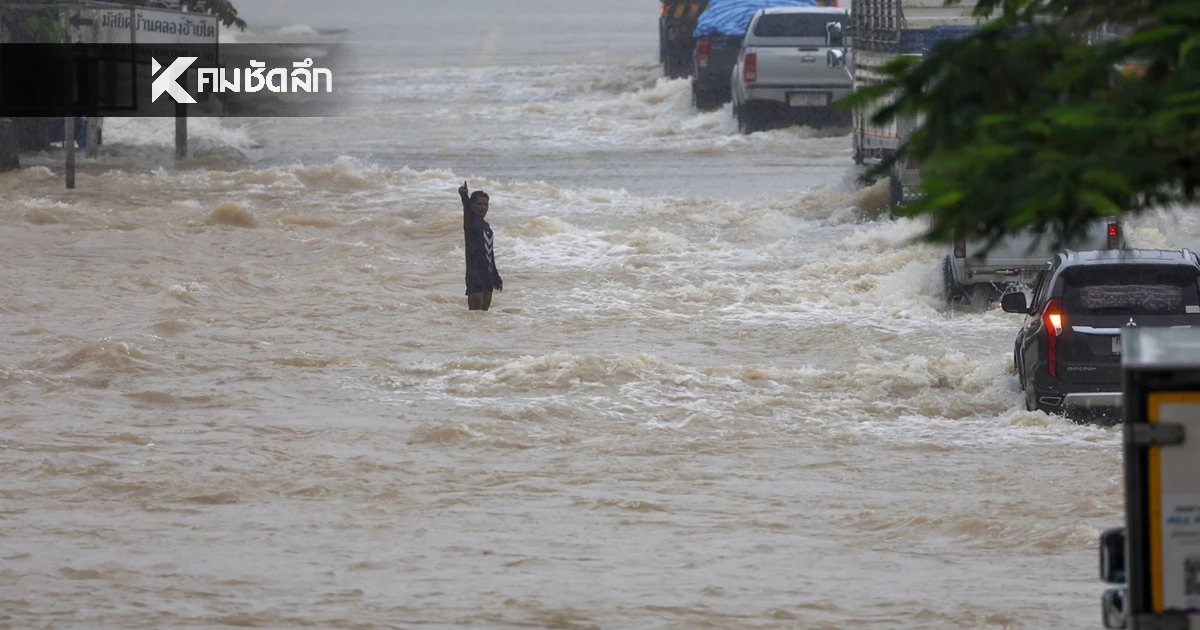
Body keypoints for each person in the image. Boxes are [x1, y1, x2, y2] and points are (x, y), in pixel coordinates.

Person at [458, 181, 503, 311]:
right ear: (472, 205)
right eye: (479, 204)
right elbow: (467, 210)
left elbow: (490, 254)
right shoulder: (471, 223)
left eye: (485, 204)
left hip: (487, 277)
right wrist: (464, 196)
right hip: (475, 277)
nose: (483, 207)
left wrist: (495, 275)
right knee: (475, 318)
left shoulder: (486, 227)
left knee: (483, 319)